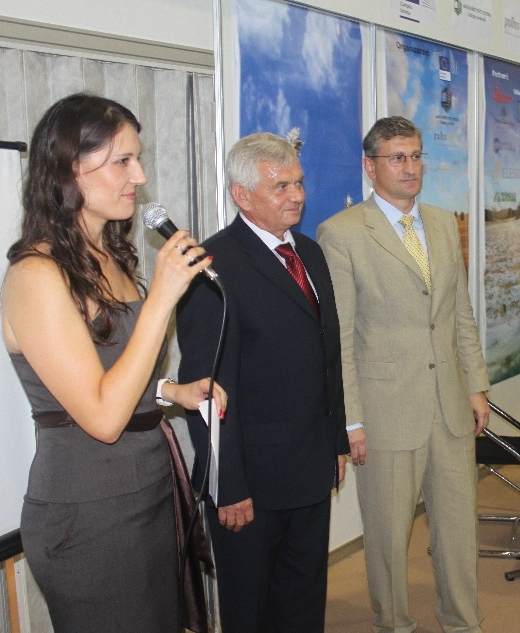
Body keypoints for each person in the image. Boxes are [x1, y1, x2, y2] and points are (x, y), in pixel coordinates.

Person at [2, 93, 224, 633]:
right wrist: (161, 298)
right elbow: (102, 417)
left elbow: (113, 371)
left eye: (137, 159)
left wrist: (172, 391)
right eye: (122, 161)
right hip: (89, 510)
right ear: (69, 169)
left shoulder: (112, 255)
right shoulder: (35, 276)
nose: (139, 176)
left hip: (148, 487)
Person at [317, 116, 491, 633]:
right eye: (397, 157)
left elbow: (459, 312)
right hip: (386, 411)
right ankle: (393, 624)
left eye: (415, 156)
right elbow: (341, 337)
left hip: (449, 405)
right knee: (389, 538)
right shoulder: (342, 234)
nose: (410, 167)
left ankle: (463, 623)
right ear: (370, 167)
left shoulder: (442, 222)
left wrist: (476, 385)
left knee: (458, 530)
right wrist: (350, 419)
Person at [176, 132, 349, 633]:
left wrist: (335, 442)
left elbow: (327, 357)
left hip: (310, 467)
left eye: (299, 183)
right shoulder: (212, 267)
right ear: (242, 195)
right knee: (250, 611)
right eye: (280, 187)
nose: (297, 195)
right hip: (249, 485)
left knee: (303, 604)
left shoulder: (309, 253)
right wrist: (226, 484)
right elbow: (205, 388)